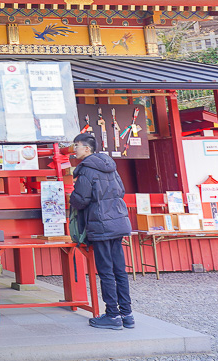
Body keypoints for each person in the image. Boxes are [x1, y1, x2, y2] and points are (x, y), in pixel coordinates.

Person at [70, 132, 134, 330]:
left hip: (100, 223)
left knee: (106, 271)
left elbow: (80, 199)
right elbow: (121, 191)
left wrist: (70, 199)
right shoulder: (111, 167)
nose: (74, 149)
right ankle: (127, 315)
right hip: (118, 221)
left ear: (87, 149)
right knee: (119, 271)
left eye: (77, 146)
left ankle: (113, 315)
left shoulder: (87, 170)